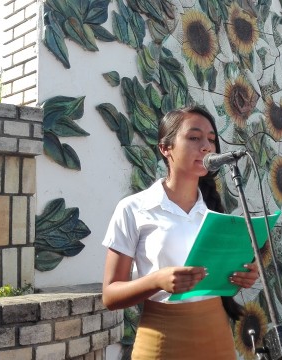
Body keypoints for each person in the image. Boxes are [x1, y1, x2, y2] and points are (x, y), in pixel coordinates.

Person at [101, 106, 259, 359]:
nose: (206, 146)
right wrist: (157, 281)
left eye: (211, 139)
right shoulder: (133, 209)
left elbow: (217, 282)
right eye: (194, 137)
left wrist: (241, 278)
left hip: (216, 335)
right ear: (166, 148)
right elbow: (110, 295)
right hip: (161, 338)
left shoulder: (215, 214)